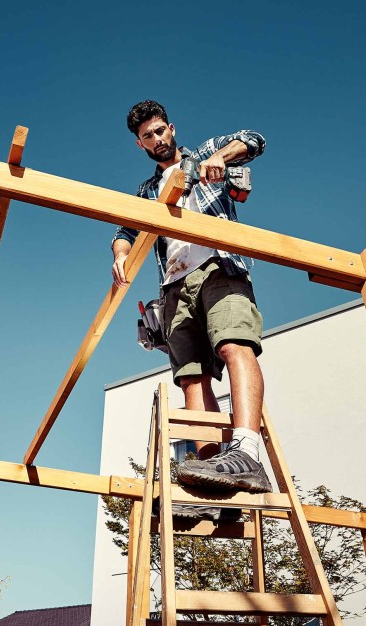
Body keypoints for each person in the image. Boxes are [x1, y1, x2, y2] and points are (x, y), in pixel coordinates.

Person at [112, 100, 271, 519]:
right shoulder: (146, 191)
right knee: (192, 380)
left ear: (171, 128)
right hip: (173, 287)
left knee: (235, 345)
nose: (157, 139)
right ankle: (213, 481)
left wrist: (220, 158)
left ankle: (247, 454)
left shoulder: (202, 156)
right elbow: (125, 228)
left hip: (219, 266)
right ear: (139, 144)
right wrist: (121, 253)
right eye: (148, 136)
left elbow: (254, 140)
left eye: (161, 130)